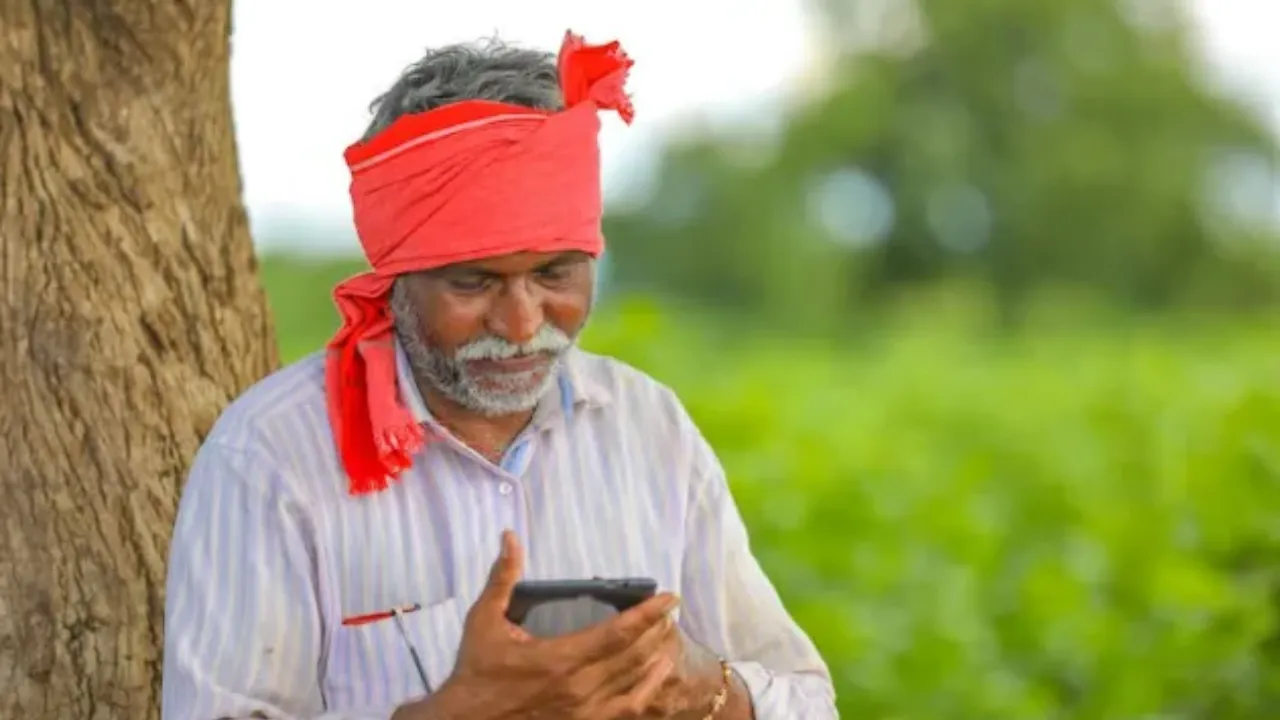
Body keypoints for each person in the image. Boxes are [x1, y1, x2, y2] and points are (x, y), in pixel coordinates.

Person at [161, 30, 837, 720]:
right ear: (397, 278)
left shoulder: (648, 428)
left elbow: (810, 702)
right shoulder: (272, 458)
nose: (520, 323)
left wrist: (703, 688)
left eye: (554, 274)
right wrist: (457, 711)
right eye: (473, 281)